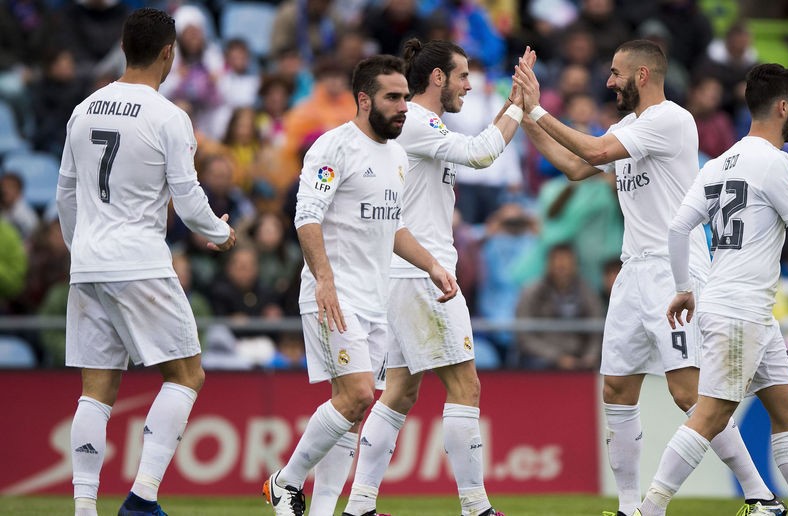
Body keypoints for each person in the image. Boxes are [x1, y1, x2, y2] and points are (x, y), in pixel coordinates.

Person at [512, 40, 782, 516]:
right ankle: (629, 507)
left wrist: (539, 109)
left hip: (673, 269)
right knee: (616, 389)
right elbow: (578, 166)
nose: (609, 81)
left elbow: (593, 150)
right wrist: (526, 116)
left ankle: (760, 496)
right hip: (633, 270)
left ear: (642, 75)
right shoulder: (629, 127)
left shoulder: (672, 120)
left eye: (616, 73)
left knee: (687, 393)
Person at [637, 63, 788, 516]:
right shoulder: (777, 163)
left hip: (740, 305)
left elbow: (678, 228)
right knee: (710, 415)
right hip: (741, 311)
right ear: (783, 106)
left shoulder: (718, 162)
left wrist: (684, 287)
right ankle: (650, 508)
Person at [55, 8, 237, 516]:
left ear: (122, 46)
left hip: (89, 263)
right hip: (138, 259)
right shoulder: (168, 116)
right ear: (167, 53)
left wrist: (82, 248)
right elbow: (189, 195)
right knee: (186, 375)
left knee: (96, 390)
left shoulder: (84, 108)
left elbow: (65, 193)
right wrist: (220, 233)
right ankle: (142, 499)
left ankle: (84, 509)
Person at [262, 54, 458, 516]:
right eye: (392, 98)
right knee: (357, 396)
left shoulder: (396, 157)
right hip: (335, 297)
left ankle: (325, 508)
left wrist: (432, 265)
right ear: (364, 99)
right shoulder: (333, 148)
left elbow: (395, 227)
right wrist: (324, 281)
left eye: (406, 98)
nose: (403, 107)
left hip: (375, 300)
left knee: (349, 415)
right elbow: (306, 215)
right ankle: (285, 481)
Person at [341, 39, 524, 516]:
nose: (468, 84)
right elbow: (484, 154)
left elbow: (476, 144)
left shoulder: (422, 125)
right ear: (438, 78)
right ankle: (476, 507)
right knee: (466, 387)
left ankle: (360, 505)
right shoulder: (419, 123)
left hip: (404, 273)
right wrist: (521, 107)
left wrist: (512, 101)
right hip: (423, 274)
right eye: (462, 75)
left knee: (399, 391)